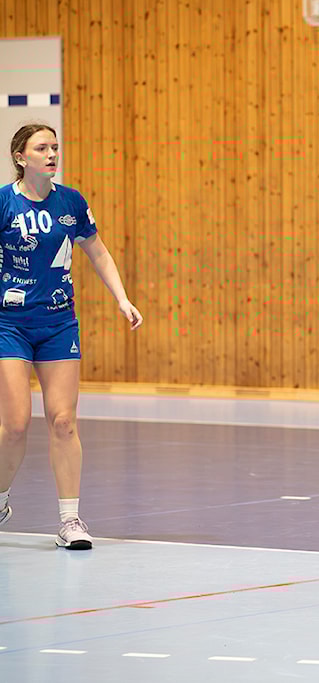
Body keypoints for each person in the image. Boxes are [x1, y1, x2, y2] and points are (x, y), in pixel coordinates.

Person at [0, 123, 143, 549]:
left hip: (59, 323)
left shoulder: (72, 202)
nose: (51, 154)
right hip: (10, 324)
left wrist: (122, 298)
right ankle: (0, 498)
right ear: (20, 157)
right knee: (15, 425)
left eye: (55, 147)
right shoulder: (4, 203)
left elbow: (97, 250)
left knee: (63, 421)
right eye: (41, 148)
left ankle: (70, 521)